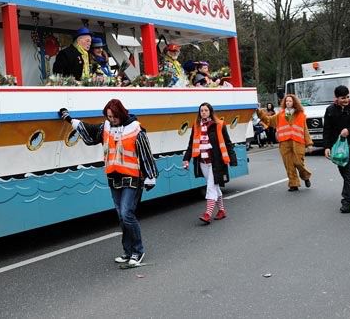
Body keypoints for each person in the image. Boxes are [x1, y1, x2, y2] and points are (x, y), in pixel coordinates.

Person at [58, 99, 158, 267]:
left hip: (133, 178)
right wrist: (68, 118)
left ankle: (137, 251)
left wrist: (150, 176)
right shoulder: (106, 128)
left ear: (121, 113)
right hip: (114, 178)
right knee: (121, 216)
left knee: (127, 214)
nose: (111, 119)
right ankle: (127, 252)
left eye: (113, 116)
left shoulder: (135, 129)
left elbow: (145, 152)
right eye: (108, 116)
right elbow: (88, 130)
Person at [182, 102, 237, 223]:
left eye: (206, 110)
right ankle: (221, 210)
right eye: (201, 111)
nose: (203, 113)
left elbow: (227, 143)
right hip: (202, 162)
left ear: (210, 111)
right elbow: (191, 144)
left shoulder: (219, 125)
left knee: (211, 187)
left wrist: (232, 159)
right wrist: (186, 159)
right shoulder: (196, 126)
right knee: (215, 186)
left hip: (216, 162)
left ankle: (207, 213)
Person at [257, 94, 313, 191]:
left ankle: (305, 176)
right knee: (289, 164)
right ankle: (293, 184)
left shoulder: (300, 115)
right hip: (284, 143)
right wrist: (259, 112)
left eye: (290, 101)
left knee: (298, 163)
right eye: (286, 101)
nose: (288, 102)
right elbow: (268, 120)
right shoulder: (280, 115)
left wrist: (309, 144)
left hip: (298, 143)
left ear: (294, 102)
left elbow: (305, 130)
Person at [322, 85, 350, 213]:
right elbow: (327, 130)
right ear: (336, 98)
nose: (345, 100)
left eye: (347, 97)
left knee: (349, 171)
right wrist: (327, 147)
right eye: (342, 98)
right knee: (344, 172)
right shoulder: (330, 110)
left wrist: (349, 130)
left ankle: (347, 202)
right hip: (338, 147)